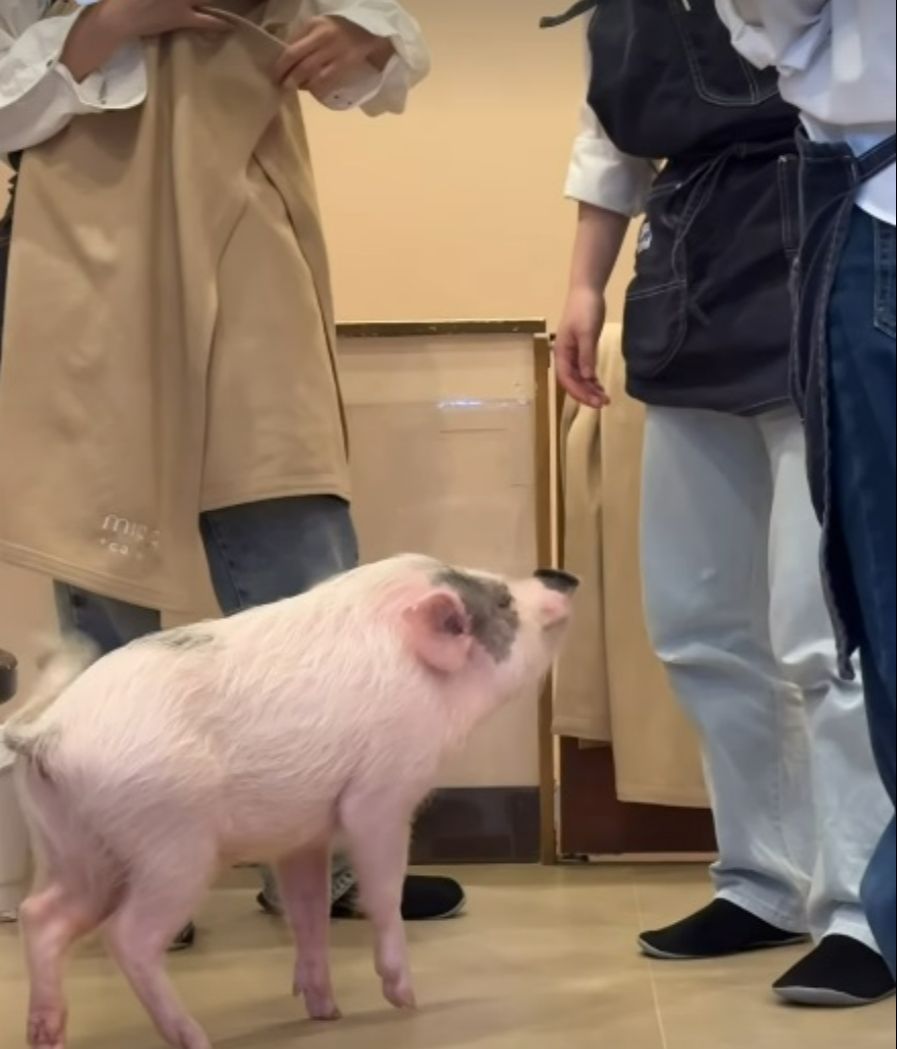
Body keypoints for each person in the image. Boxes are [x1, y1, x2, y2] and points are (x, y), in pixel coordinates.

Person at [0, 0, 465, 948]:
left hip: (250, 229)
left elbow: (387, 49)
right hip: (87, 243)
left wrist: (363, 39)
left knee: (302, 556)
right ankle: (121, 869)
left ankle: (328, 857)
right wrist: (121, 17)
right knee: (104, 567)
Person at [546, 0, 895, 1006]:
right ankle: (763, 876)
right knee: (698, 622)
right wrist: (583, 282)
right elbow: (608, 130)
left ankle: (864, 908)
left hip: (825, 249)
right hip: (689, 286)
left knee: (825, 630)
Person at [715, 0, 896, 982]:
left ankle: (859, 913)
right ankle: (800, 887)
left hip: (873, 197)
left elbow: (771, 32)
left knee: (864, 625)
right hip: (860, 199)